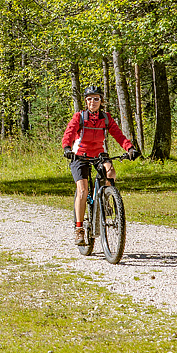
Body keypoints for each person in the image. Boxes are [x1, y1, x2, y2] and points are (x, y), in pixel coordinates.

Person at [62, 86, 140, 245]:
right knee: (83, 190)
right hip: (79, 156)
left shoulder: (106, 118)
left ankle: (107, 199)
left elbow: (118, 135)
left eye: (96, 98)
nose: (93, 102)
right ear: (86, 101)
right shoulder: (79, 117)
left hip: (99, 154)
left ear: (101, 101)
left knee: (110, 172)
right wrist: (67, 148)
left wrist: (130, 148)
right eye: (90, 99)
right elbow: (69, 133)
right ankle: (79, 229)